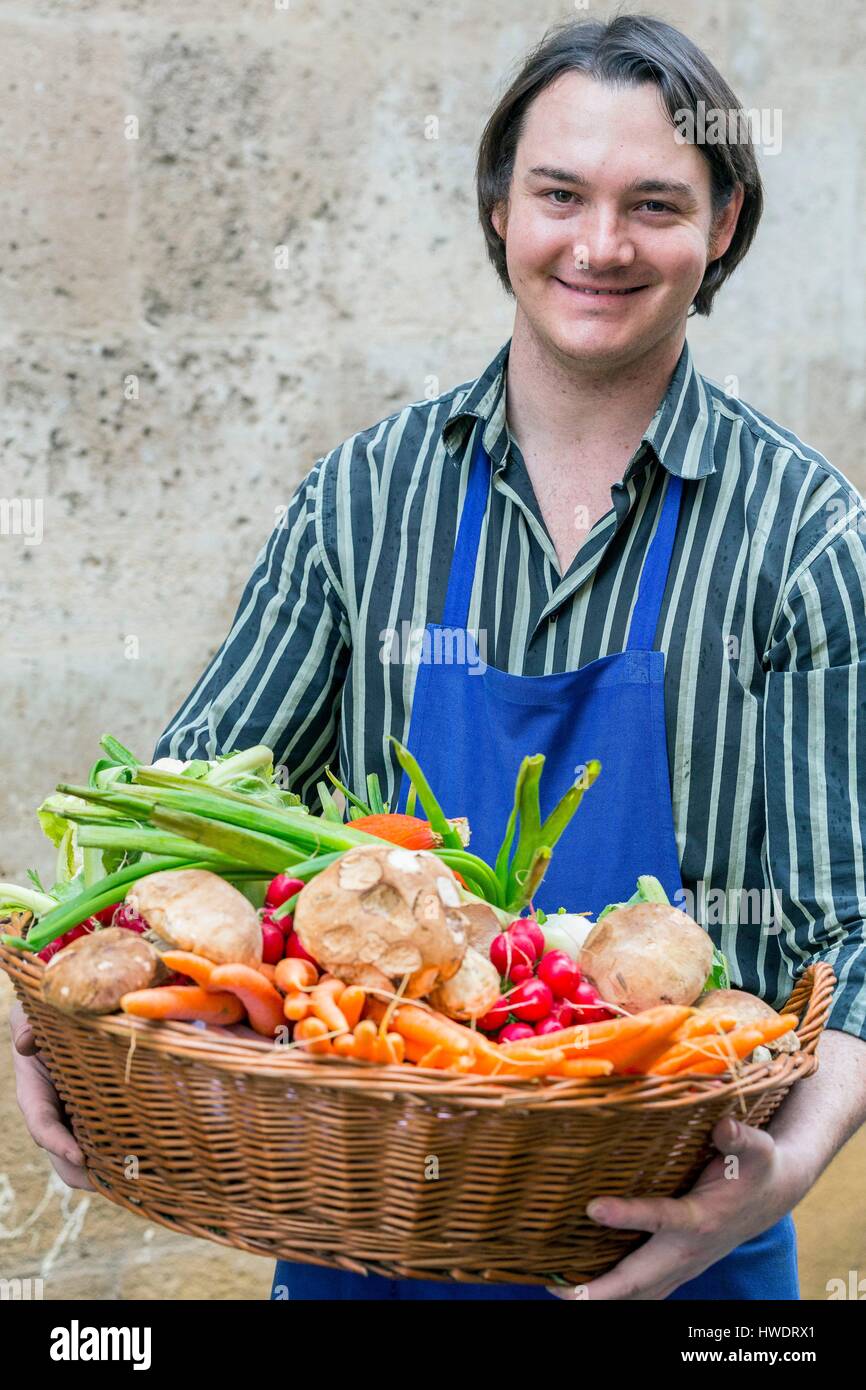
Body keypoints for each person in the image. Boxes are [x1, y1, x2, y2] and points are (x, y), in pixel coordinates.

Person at [11, 13, 866, 1301]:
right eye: (559, 194)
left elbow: (849, 935)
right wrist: (59, 1026)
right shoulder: (365, 501)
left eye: (655, 204)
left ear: (725, 223)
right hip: (369, 1223)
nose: (600, 244)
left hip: (683, 1237)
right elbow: (187, 810)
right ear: (499, 206)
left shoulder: (801, 534)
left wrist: (780, 1179)